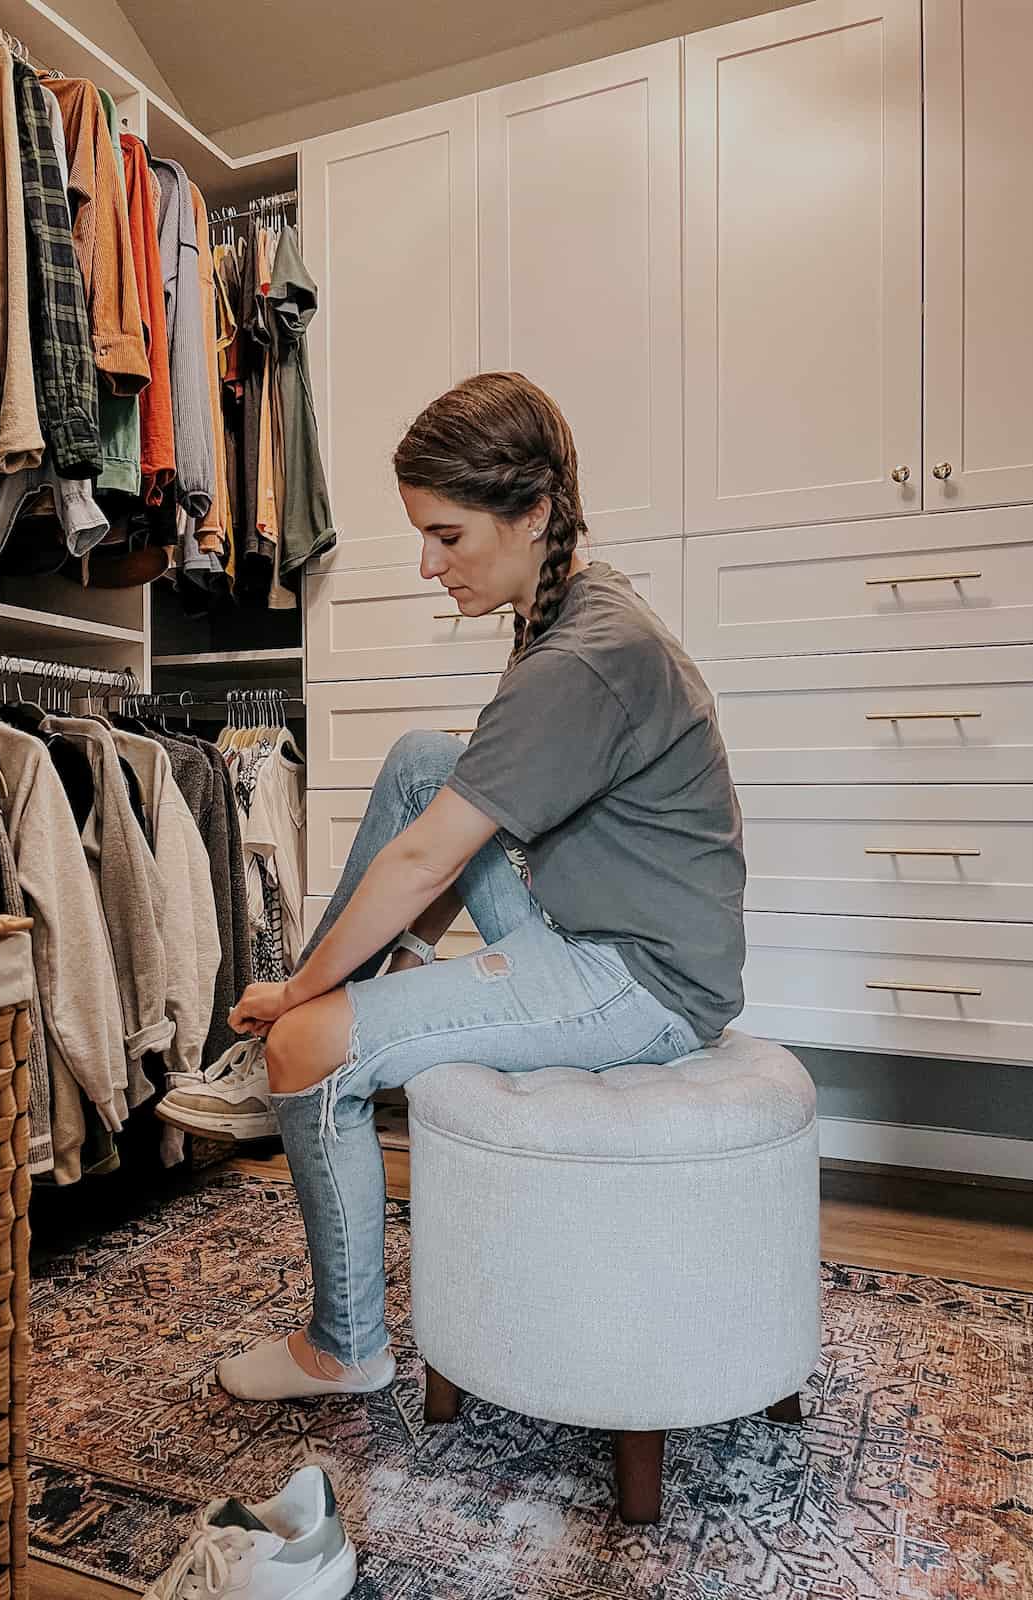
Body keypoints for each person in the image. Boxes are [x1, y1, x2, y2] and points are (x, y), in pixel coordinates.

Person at [211, 372, 747, 1401]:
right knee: (423, 757)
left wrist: (296, 994)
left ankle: (345, 1346)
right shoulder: (579, 601)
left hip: (640, 978)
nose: (426, 563)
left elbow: (426, 860)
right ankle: (357, 1001)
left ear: (535, 511)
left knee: (305, 1044)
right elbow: (452, 825)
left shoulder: (582, 655)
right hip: (599, 918)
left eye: (447, 535)